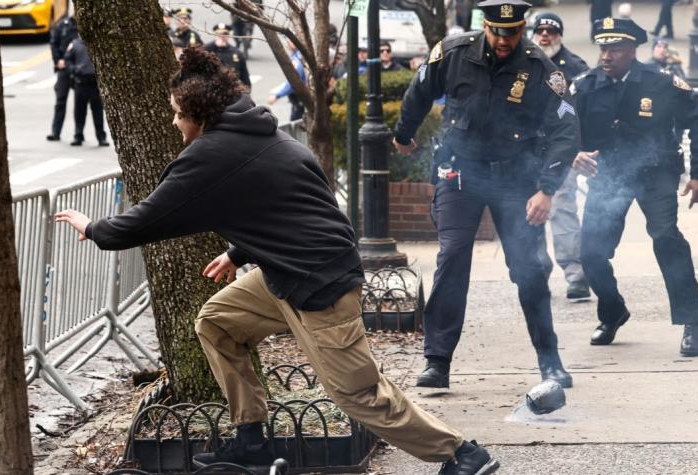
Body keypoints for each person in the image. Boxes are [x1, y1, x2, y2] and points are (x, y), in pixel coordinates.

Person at [54, 48, 499, 475]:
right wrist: (238, 252)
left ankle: (461, 454)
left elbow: (152, 216)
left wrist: (96, 228)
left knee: (358, 395)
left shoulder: (211, 156)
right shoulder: (260, 133)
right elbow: (282, 205)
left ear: (199, 113)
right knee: (218, 322)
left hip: (320, 285)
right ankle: (251, 442)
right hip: (286, 274)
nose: (174, 122)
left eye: (177, 113)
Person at [393, 0, 580, 390]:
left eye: (511, 33)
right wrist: (403, 134)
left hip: (516, 179)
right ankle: (437, 361)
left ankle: (550, 361)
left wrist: (546, 190)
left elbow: (566, 132)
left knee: (529, 268)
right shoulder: (454, 53)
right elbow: (420, 89)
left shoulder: (541, 69)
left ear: (522, 29)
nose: (503, 41)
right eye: (497, 32)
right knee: (452, 257)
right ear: (485, 27)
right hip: (460, 173)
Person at [571, 17, 698, 357]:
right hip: (608, 175)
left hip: (656, 172)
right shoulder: (584, 86)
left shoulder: (661, 82)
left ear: (632, 50)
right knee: (590, 252)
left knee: (666, 238)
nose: (606, 56)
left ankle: (691, 323)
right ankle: (612, 311)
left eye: (615, 49)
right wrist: (572, 154)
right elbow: (559, 128)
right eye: (602, 48)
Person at [530, 12, 592, 301]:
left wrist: (578, 148)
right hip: (526, 150)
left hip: (561, 149)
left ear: (560, 35)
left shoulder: (576, 67)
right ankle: (537, 271)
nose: (545, 35)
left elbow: (584, 114)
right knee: (529, 212)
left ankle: (575, 272)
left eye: (551, 31)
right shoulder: (521, 62)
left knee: (562, 208)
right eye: (540, 30)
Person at [64, 37, 109, 147]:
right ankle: (78, 135)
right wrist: (74, 69)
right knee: (79, 112)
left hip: (95, 84)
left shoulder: (97, 42)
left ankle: (101, 137)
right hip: (81, 83)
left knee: (98, 112)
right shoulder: (75, 44)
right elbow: (67, 59)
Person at [46, 14, 78, 142]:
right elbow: (54, 44)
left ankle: (79, 135)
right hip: (64, 68)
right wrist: (58, 60)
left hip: (80, 69)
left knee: (81, 104)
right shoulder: (63, 25)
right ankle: (56, 132)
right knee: (60, 102)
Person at [268, 40, 306, 121]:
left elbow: (294, 81)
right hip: (300, 96)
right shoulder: (296, 55)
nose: (287, 43)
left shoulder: (297, 59)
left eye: (290, 41)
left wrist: (277, 95)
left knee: (297, 121)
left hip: (300, 96)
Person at [205, 23, 252, 89]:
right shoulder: (207, 50)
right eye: (219, 34)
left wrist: (246, 91)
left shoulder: (237, 53)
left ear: (228, 36)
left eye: (225, 34)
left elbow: (245, 78)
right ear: (215, 35)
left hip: (233, 90)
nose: (222, 36)